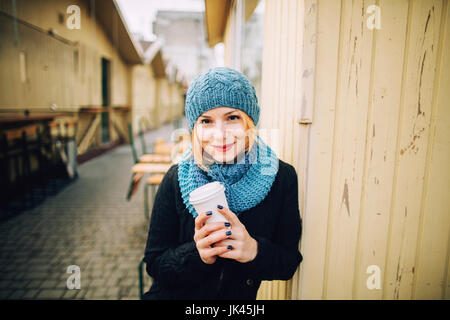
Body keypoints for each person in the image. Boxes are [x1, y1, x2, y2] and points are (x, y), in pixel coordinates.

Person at [143, 67, 303, 300]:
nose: (220, 134)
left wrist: (253, 250)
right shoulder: (176, 179)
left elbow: (288, 263)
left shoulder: (281, 177)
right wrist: (197, 255)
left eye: (232, 117)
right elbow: (154, 263)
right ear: (195, 128)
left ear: (249, 121)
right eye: (206, 121)